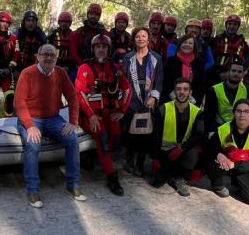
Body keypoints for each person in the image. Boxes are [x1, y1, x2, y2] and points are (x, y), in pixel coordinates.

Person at [14, 44, 85, 208]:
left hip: (53, 118)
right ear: (37, 56)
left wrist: (73, 122)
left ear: (56, 57)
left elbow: (73, 98)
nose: (48, 58)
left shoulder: (61, 73)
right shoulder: (27, 73)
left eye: (52, 55)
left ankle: (73, 185)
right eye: (44, 54)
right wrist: (30, 126)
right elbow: (19, 102)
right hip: (31, 119)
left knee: (73, 140)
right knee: (33, 144)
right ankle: (33, 190)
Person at [75, 35, 131, 196]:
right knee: (103, 137)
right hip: (89, 115)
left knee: (116, 135)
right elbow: (79, 93)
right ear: (93, 49)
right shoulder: (84, 68)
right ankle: (111, 176)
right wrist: (91, 115)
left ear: (108, 49)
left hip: (109, 113)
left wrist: (122, 111)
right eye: (98, 46)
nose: (101, 49)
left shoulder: (115, 69)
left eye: (104, 47)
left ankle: (94, 157)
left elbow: (127, 89)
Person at [206, 99, 249, 206]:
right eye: (239, 111)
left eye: (246, 111)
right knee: (212, 160)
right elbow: (209, 147)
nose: (242, 114)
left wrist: (235, 165)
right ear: (234, 113)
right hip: (225, 164)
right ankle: (218, 185)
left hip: (242, 167)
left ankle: (237, 183)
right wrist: (219, 155)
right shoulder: (223, 129)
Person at [121, 26, 163, 177]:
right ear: (134, 39)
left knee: (144, 135)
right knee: (130, 133)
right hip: (131, 101)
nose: (141, 39)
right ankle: (129, 161)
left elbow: (159, 81)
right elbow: (123, 80)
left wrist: (153, 97)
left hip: (147, 102)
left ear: (148, 39)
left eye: (143, 36)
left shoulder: (156, 58)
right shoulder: (127, 58)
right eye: (137, 36)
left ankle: (139, 163)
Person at [152, 78, 204, 197]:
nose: (182, 92)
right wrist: (155, 159)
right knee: (156, 183)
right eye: (179, 89)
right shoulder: (163, 109)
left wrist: (183, 147)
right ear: (174, 92)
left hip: (184, 151)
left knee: (194, 153)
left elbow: (198, 135)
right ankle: (170, 173)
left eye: (185, 89)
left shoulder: (198, 112)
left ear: (190, 92)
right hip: (165, 153)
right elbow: (156, 136)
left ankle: (180, 178)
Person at [203, 63, 249, 134]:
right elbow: (208, 115)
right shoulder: (214, 90)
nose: (236, 74)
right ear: (228, 72)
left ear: (243, 74)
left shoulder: (247, 89)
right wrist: (211, 132)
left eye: (239, 72)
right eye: (233, 71)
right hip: (219, 129)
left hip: (239, 130)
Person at [161, 34, 207, 106]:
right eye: (185, 42)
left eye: (190, 43)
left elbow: (202, 84)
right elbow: (166, 83)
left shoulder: (199, 63)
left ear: (194, 46)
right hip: (171, 101)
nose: (187, 45)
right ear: (180, 44)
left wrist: (193, 100)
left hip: (192, 102)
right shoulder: (171, 61)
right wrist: (176, 99)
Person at [211, 14, 249, 83]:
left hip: (235, 75)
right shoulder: (217, 39)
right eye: (229, 24)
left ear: (238, 27)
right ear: (226, 25)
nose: (231, 26)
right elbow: (210, 57)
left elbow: (248, 60)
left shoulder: (243, 43)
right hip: (217, 74)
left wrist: (240, 72)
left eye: (235, 24)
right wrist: (217, 72)